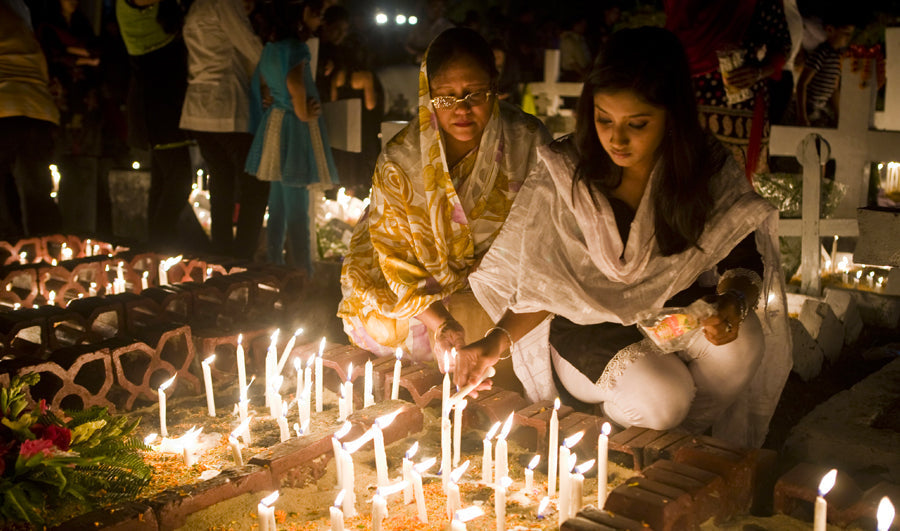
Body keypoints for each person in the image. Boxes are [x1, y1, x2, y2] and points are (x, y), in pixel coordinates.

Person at [456, 27, 791, 448]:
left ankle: (671, 446)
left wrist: (733, 302)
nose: (617, 139)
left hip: (674, 318)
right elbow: (541, 289)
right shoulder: (567, 174)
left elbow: (740, 255)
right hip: (588, 336)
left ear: (673, 115)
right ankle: (618, 432)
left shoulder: (702, 167)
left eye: (637, 123)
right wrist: (493, 343)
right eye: (603, 119)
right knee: (664, 398)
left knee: (744, 343)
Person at [338, 28, 552, 374]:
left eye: (474, 94)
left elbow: (546, 233)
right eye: (445, 97)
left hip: (500, 279)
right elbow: (392, 252)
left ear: (494, 86)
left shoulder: (528, 141)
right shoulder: (401, 160)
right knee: (386, 321)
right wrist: (440, 322)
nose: (462, 109)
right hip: (412, 282)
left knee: (494, 319)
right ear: (428, 95)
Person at [244, 0, 338, 272]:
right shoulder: (296, 49)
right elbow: (295, 83)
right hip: (294, 129)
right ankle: (303, 272)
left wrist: (276, 99)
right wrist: (303, 110)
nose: (319, 20)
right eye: (315, 13)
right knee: (297, 205)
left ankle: (276, 265)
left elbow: (261, 82)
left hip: (276, 124)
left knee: (278, 204)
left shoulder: (271, 48)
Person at [179, 0, 269, 260]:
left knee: (221, 181)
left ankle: (221, 256)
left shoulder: (195, 6)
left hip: (198, 107)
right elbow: (252, 48)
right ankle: (242, 258)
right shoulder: (224, 4)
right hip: (225, 106)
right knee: (255, 182)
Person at [665, 0, 790, 180]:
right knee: (686, 179)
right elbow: (669, 42)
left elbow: (781, 45)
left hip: (740, 105)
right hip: (685, 97)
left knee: (738, 187)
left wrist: (758, 72)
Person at [116, 0, 193, 248]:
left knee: (165, 181)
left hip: (162, 101)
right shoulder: (130, 6)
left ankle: (157, 251)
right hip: (158, 102)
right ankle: (160, 248)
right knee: (179, 180)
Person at [0, 0, 64, 238]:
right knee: (38, 193)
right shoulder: (18, 9)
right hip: (38, 110)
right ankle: (47, 263)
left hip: (4, 109)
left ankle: (10, 263)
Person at [795, 10, 855, 128]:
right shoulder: (821, 53)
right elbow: (802, 84)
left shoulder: (837, 57)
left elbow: (834, 88)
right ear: (830, 30)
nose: (848, 38)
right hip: (809, 108)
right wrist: (802, 115)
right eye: (845, 33)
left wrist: (838, 116)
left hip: (820, 110)